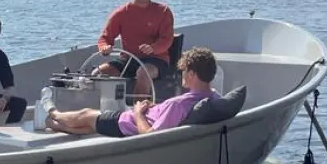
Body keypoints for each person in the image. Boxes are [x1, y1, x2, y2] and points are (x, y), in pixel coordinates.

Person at [43, 46, 219, 138]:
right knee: (89, 127)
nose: (181, 73)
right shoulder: (214, 97)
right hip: (142, 116)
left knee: (86, 115)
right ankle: (55, 125)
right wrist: (155, 107)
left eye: (184, 70)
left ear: (192, 74)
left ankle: (53, 112)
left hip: (125, 123)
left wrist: (137, 113)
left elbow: (150, 136)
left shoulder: (178, 105)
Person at [93, 0, 175, 99]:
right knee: (98, 73)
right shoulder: (121, 13)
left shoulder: (163, 11)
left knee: (143, 72)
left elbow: (167, 40)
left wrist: (153, 48)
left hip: (157, 60)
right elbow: (105, 38)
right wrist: (104, 47)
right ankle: (106, 112)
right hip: (128, 59)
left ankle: (139, 113)